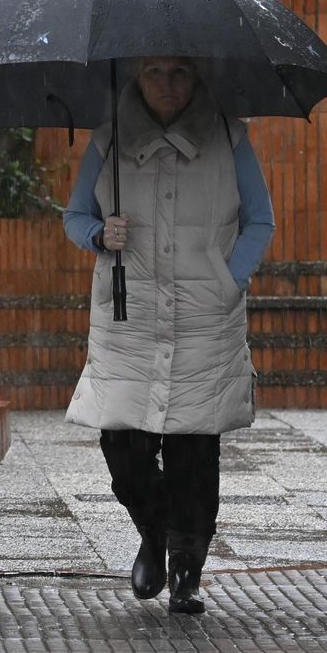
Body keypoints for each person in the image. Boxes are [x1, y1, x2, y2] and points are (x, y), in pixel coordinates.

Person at [62, 56, 275, 615]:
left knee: (193, 450)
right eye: (154, 72)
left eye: (180, 72)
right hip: (128, 314)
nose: (167, 84)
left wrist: (230, 281)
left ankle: (187, 568)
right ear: (135, 75)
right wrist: (97, 233)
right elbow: (74, 214)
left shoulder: (229, 136)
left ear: (198, 76)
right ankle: (155, 535)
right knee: (122, 444)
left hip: (205, 313)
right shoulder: (109, 139)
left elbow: (260, 220)